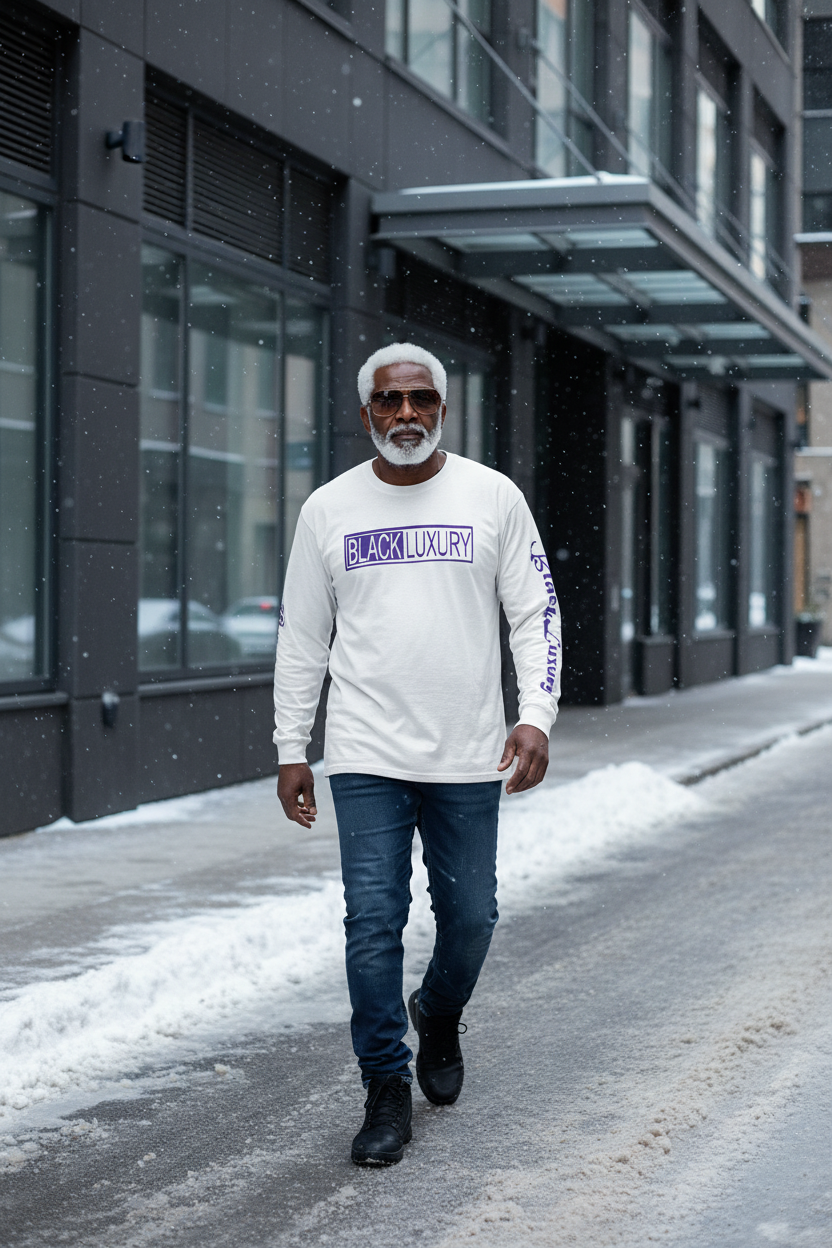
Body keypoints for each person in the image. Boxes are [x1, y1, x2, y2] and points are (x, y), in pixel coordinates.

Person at [273, 343, 561, 1165]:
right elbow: (302, 636)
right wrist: (292, 744)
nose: (407, 414)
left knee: (471, 919)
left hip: (469, 750)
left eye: (422, 400)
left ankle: (436, 1012)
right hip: (365, 752)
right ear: (366, 414)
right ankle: (384, 1088)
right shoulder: (328, 509)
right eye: (391, 402)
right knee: (373, 925)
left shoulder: (491, 497)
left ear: (442, 409)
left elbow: (535, 613)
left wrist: (535, 714)